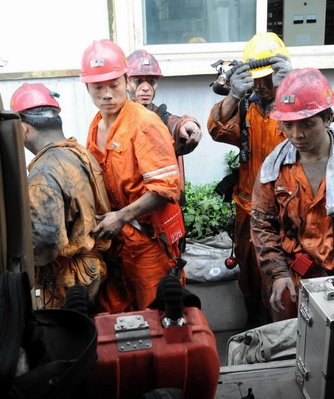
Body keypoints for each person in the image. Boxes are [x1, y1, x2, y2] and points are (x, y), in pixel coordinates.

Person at [250, 68, 334, 321]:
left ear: (327, 119)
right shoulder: (274, 170)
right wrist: (278, 273)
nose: (297, 135)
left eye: (307, 124)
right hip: (291, 279)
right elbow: (262, 226)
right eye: (288, 125)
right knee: (290, 346)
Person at [81, 39, 183, 312]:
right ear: (87, 87)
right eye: (98, 87)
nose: (107, 94)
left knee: (157, 316)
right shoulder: (96, 125)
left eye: (113, 84)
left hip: (148, 243)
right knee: (118, 318)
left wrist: (122, 216)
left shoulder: (145, 123)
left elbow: (166, 189)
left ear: (126, 80)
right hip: (117, 243)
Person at [207, 32, 292, 326]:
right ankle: (253, 327)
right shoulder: (247, 106)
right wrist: (233, 94)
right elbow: (217, 130)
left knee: (281, 277)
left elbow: (313, 132)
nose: (263, 86)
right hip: (247, 208)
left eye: (269, 79)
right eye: (258, 79)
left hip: (285, 212)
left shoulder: (291, 109)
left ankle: (279, 334)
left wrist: (289, 90)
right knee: (249, 275)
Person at [10, 82, 111, 309]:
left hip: (67, 279)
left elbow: (46, 242)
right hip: (91, 269)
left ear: (24, 129)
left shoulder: (43, 173)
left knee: (64, 339)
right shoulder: (78, 153)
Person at [126, 49, 203, 201]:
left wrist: (187, 124)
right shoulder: (118, 118)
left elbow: (174, 122)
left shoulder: (161, 117)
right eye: (138, 81)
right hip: (129, 201)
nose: (146, 87)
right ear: (127, 83)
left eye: (151, 82)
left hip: (157, 201)